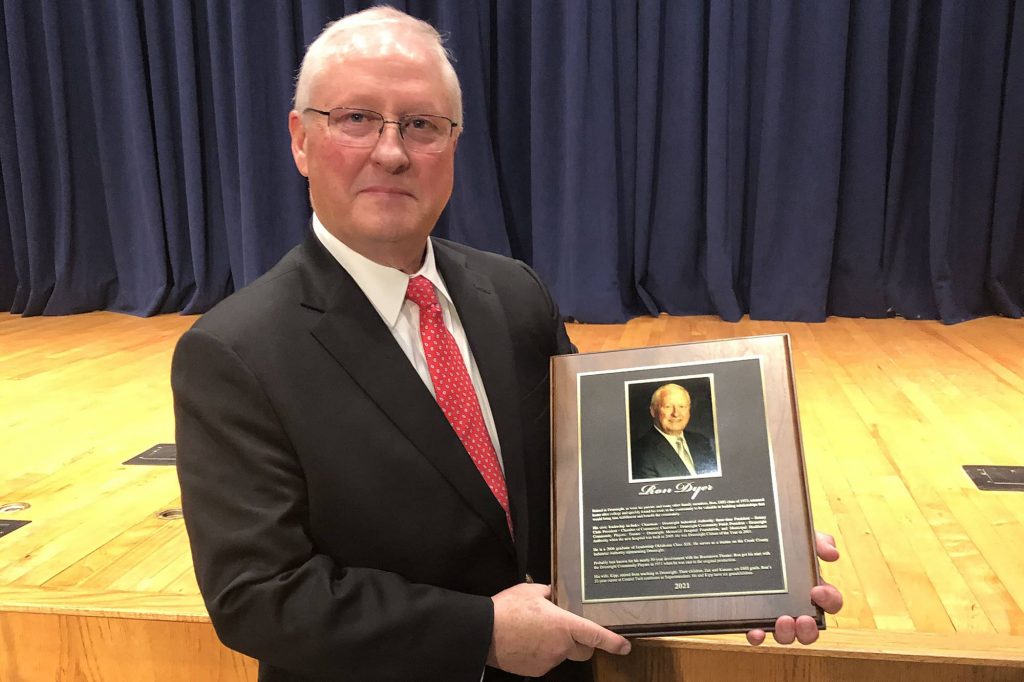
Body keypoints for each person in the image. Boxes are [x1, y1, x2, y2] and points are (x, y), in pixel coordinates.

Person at [172, 7, 842, 682]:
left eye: (422, 125)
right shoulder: (234, 353)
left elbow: (592, 488)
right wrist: (481, 634)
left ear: (453, 145)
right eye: (356, 119)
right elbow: (259, 597)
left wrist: (741, 550)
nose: (392, 151)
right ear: (300, 139)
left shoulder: (514, 293)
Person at [631, 383, 720, 479]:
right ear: (653, 411)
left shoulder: (702, 441)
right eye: (668, 406)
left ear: (689, 409)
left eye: (682, 406)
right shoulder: (639, 452)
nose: (676, 413)